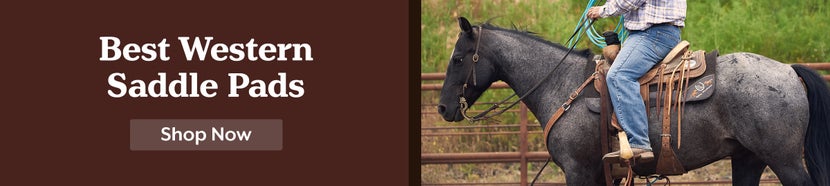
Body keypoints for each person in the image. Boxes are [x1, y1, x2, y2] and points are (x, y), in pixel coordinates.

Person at [587, 0, 686, 160]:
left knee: (619, 75)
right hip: (657, 33)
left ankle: (639, 142)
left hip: (652, 35)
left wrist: (603, 10)